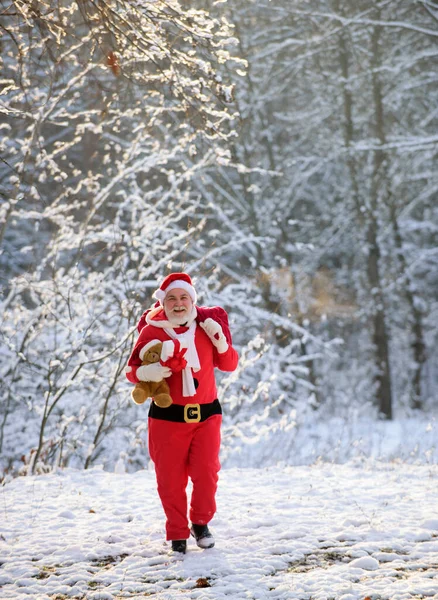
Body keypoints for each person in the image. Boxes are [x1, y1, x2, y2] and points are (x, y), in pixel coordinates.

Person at [125, 273, 239, 554]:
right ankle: (177, 533)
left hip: (207, 415)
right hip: (167, 418)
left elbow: (230, 364)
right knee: (170, 478)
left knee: (207, 473)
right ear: (163, 303)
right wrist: (145, 372)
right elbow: (131, 371)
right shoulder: (152, 331)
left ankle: (200, 524)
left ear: (192, 300)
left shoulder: (206, 327)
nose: (178, 304)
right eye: (172, 299)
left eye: (183, 297)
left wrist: (221, 342)